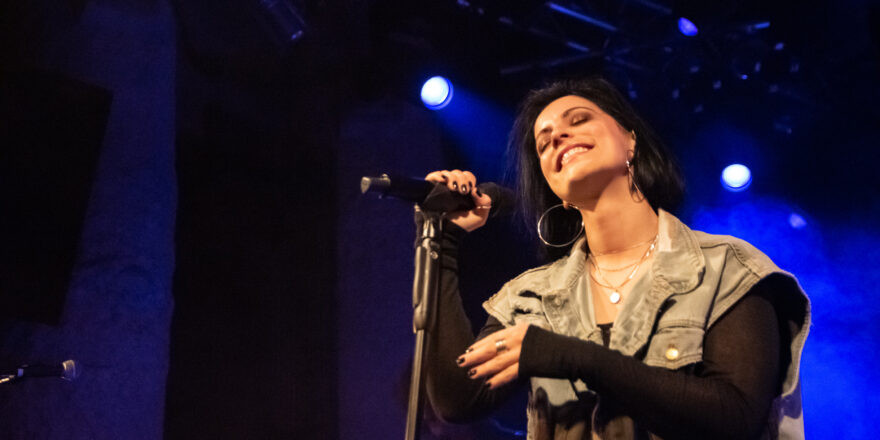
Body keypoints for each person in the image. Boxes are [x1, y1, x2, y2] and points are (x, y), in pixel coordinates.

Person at [422, 77, 810, 439]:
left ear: (630, 140)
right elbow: (458, 399)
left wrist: (570, 356)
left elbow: (736, 417)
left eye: (579, 119)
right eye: (543, 143)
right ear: (554, 187)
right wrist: (443, 242)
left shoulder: (726, 267)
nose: (557, 135)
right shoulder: (532, 296)